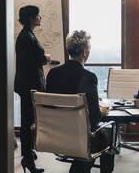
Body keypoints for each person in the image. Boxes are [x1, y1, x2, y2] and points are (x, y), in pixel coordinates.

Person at [46, 30, 114, 173]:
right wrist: (99, 110)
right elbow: (95, 117)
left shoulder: (53, 74)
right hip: (79, 137)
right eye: (89, 49)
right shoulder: (89, 77)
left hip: (56, 134)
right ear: (85, 52)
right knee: (108, 132)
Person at [14, 5, 51, 173]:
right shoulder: (25, 37)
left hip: (29, 86)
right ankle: (28, 160)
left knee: (29, 121)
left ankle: (27, 155)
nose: (40, 18)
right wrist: (45, 58)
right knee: (27, 123)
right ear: (31, 18)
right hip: (29, 87)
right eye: (38, 15)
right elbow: (28, 62)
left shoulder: (28, 35)